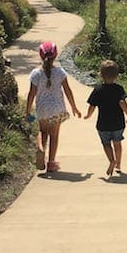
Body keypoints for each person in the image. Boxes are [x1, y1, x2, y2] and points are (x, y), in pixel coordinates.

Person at [25, 41, 81, 172]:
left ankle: (40, 147)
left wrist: (27, 110)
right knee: (54, 136)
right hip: (57, 109)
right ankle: (51, 163)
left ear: (40, 55)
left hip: (42, 109)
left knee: (42, 131)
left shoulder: (35, 73)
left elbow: (31, 94)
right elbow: (68, 90)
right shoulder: (60, 72)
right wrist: (74, 107)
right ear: (55, 56)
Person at [84, 59, 127, 177]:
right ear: (117, 76)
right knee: (117, 143)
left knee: (106, 144)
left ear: (100, 75)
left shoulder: (98, 89)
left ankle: (111, 160)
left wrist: (88, 115)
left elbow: (92, 106)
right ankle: (118, 165)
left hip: (103, 124)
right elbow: (122, 102)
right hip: (118, 123)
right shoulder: (119, 89)